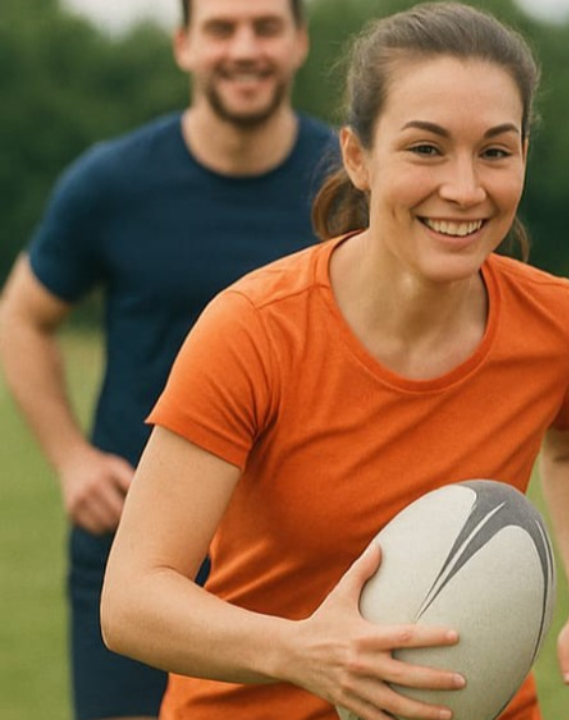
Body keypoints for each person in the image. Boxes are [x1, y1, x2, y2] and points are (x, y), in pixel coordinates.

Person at [97, 4, 569, 720]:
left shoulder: (561, 323)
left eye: (495, 151)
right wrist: (305, 652)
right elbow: (131, 600)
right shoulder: (253, 330)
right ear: (358, 156)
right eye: (426, 149)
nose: (466, 189)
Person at [0, 1, 333, 718]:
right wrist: (70, 458)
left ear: (300, 42)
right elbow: (21, 316)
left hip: (304, 567)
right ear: (185, 45)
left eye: (266, 27)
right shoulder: (110, 183)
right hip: (134, 559)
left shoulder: (350, 184)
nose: (245, 48)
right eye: (221, 29)